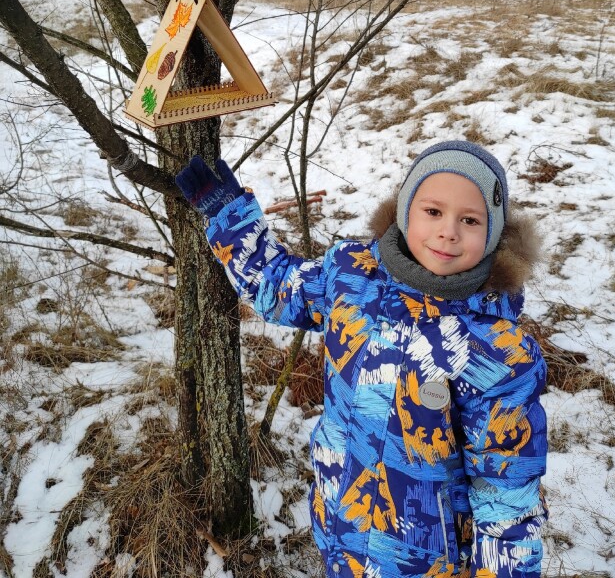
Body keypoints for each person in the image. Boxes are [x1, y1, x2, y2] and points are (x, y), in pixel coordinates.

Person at [176, 140, 548, 578]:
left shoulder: (495, 351)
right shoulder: (352, 277)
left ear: (494, 234)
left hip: (425, 562)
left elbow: (505, 497)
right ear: (405, 210)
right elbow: (278, 287)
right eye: (433, 212)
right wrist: (227, 214)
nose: (448, 231)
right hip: (340, 526)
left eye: (469, 220)